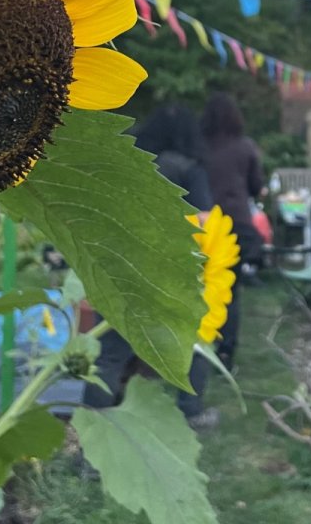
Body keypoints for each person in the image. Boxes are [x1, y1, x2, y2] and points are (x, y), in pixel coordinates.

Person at [81, 103, 218, 428]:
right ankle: (191, 410)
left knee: (109, 349)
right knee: (194, 339)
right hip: (167, 269)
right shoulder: (189, 168)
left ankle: (92, 425)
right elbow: (204, 221)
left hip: (116, 261)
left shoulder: (129, 163)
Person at [202, 92, 264, 365]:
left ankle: (198, 342)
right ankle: (226, 349)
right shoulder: (245, 147)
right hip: (236, 223)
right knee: (229, 289)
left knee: (196, 287)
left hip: (202, 222)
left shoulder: (198, 147)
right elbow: (255, 186)